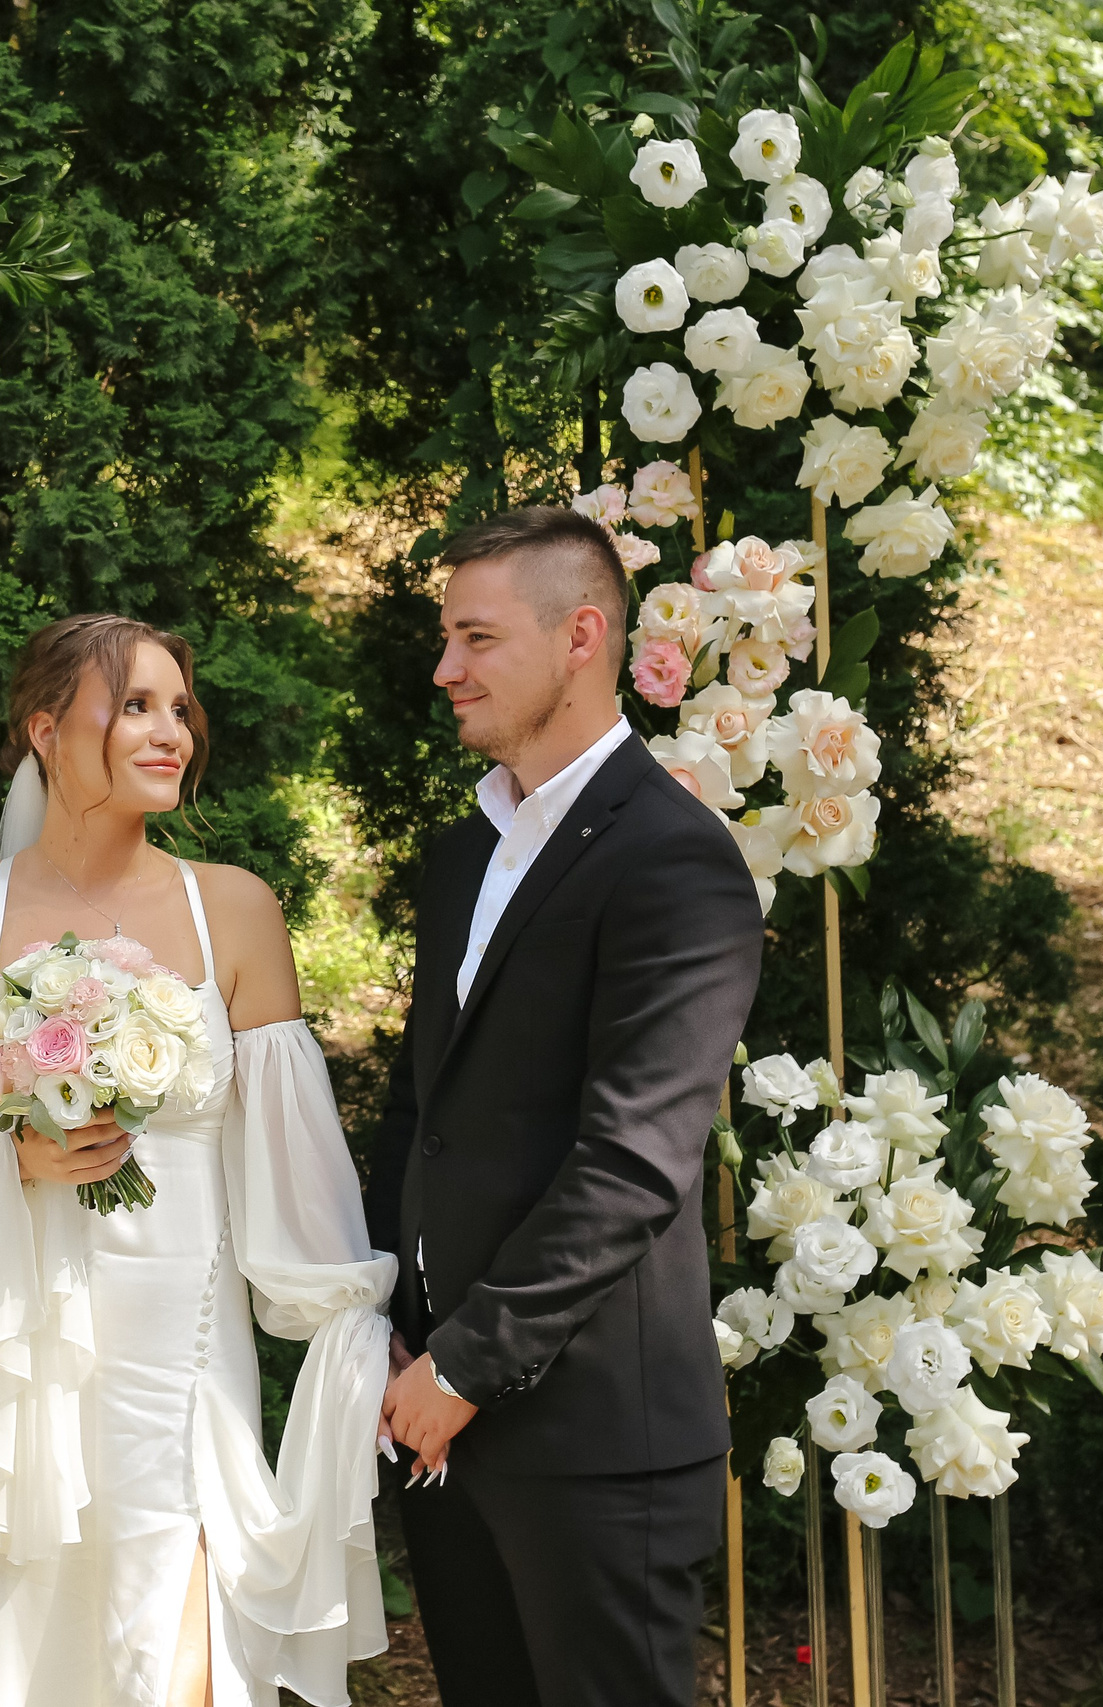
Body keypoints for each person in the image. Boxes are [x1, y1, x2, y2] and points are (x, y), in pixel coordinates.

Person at [0, 614, 396, 1707]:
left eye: (180, 710)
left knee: (174, 1641)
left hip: (181, 1357)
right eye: (137, 706)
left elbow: (292, 1158)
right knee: (16, 1626)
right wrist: (12, 1152)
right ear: (46, 730)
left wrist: (350, 1322)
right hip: (17, 1347)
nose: (171, 734)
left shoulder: (234, 908)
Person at [370, 507, 768, 1707]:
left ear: (581, 636)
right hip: (435, 1420)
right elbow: (421, 1114)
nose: (445, 668)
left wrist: (463, 1366)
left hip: (595, 1441)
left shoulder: (675, 861)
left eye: (477, 638)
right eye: (447, 637)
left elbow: (633, 1163)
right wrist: (388, 1320)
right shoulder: (464, 856)